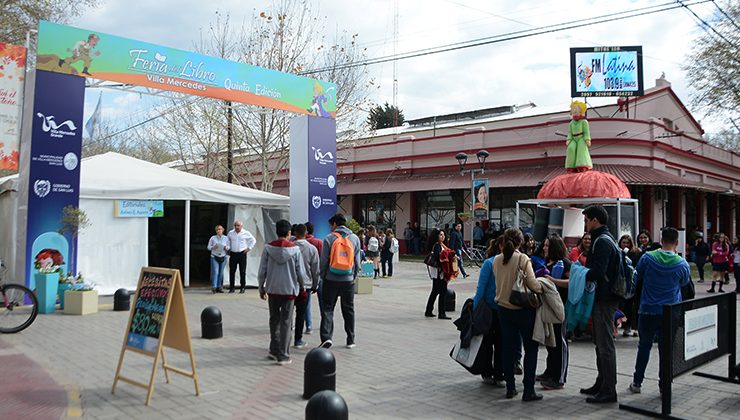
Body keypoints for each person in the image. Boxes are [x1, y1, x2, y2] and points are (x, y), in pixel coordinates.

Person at [628, 227, 691, 394]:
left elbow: (637, 276)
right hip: (670, 312)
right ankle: (664, 386)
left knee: (644, 347)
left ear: (661, 240)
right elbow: (684, 283)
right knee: (666, 351)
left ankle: (637, 382)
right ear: (677, 242)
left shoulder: (647, 258)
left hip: (647, 310)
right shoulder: (682, 264)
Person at [493, 227, 545, 402]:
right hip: (522, 309)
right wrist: (544, 286)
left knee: (507, 348)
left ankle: (510, 387)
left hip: (503, 308)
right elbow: (532, 284)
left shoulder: (496, 260)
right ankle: (528, 390)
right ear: (521, 242)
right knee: (531, 348)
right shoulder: (523, 259)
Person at [580, 205, 621, 404]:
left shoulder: (602, 241)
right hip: (602, 298)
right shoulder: (603, 238)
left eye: (586, 220)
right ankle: (601, 382)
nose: (585, 224)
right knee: (600, 343)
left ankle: (609, 390)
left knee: (605, 345)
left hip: (605, 299)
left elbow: (598, 271)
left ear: (595, 220)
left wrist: (578, 274)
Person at [257, 219, 306, 366]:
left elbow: (262, 271)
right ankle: (283, 355)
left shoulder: (267, 248)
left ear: (276, 231)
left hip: (272, 289)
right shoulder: (295, 250)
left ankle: (273, 349)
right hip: (289, 290)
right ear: (289, 232)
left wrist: (261, 287)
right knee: (286, 322)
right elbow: (300, 272)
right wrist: (302, 287)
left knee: (274, 319)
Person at [318, 213, 362, 349]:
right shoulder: (354, 238)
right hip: (348, 280)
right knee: (348, 309)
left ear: (335, 224)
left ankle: (326, 338)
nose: (330, 228)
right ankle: (350, 339)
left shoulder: (329, 238)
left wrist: (324, 276)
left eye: (331, 225)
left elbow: (324, 261)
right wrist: (353, 276)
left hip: (331, 279)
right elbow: (357, 261)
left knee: (328, 308)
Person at [537, 234, 571, 391]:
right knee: (550, 342)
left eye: (547, 246)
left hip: (560, 308)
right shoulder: (546, 262)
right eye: (544, 245)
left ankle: (559, 378)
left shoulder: (564, 264)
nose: (544, 248)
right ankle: (549, 372)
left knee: (560, 342)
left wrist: (552, 280)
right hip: (546, 308)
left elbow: (571, 283)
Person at [474, 236, 505, 387]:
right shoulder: (489, 263)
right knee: (487, 343)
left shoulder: (512, 262)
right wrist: (476, 308)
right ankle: (487, 372)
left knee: (501, 344)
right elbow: (481, 287)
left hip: (504, 310)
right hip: (488, 309)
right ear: (499, 245)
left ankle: (499, 374)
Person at [292, 224, 319, 349]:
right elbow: (315, 269)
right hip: (306, 285)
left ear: (295, 233)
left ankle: (285, 338)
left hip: (290, 284)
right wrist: (315, 284)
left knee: (287, 312)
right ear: (306, 232)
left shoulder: (290, 247)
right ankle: (298, 339)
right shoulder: (312, 249)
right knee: (301, 313)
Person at [425, 230, 453, 320]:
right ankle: (441, 313)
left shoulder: (441, 245)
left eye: (444, 235)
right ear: (436, 236)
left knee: (435, 292)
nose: (443, 236)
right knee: (442, 292)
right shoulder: (437, 245)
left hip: (438, 272)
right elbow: (439, 257)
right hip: (439, 272)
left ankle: (429, 311)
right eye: (441, 235)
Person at [618, 234, 642, 337]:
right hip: (622, 282)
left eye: (627, 243)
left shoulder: (636, 253)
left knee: (635, 305)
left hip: (634, 282)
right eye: (623, 242)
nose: (625, 244)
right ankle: (626, 326)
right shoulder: (618, 252)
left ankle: (636, 327)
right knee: (625, 305)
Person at [304, 222, 324, 334]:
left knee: (306, 303)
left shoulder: (301, 244)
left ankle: (309, 325)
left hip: (306, 276)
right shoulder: (319, 242)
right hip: (319, 274)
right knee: (323, 302)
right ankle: (324, 323)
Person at [227, 220, 257, 293]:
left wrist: (249, 248)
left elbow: (253, 240)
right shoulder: (231, 233)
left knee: (242, 271)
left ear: (241, 226)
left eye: (238, 226)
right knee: (232, 271)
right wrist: (227, 247)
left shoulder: (246, 233)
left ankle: (242, 287)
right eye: (235, 225)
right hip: (233, 253)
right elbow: (228, 241)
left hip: (242, 253)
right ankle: (232, 287)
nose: (236, 227)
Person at [565, 101, 593, 172]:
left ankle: (582, 165)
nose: (574, 110)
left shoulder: (584, 122)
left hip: (581, 137)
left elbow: (586, 132)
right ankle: (571, 165)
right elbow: (570, 132)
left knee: (581, 149)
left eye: (576, 109)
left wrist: (587, 139)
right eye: (573, 109)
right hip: (573, 138)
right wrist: (568, 139)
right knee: (571, 148)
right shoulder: (571, 123)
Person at [207, 225, 229, 294]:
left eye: (220, 229)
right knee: (215, 272)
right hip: (215, 256)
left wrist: (226, 247)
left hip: (223, 256)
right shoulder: (213, 238)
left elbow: (229, 246)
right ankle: (214, 286)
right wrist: (213, 247)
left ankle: (219, 287)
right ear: (216, 231)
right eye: (217, 229)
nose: (219, 231)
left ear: (223, 230)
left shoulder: (226, 238)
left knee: (221, 272)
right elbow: (208, 247)